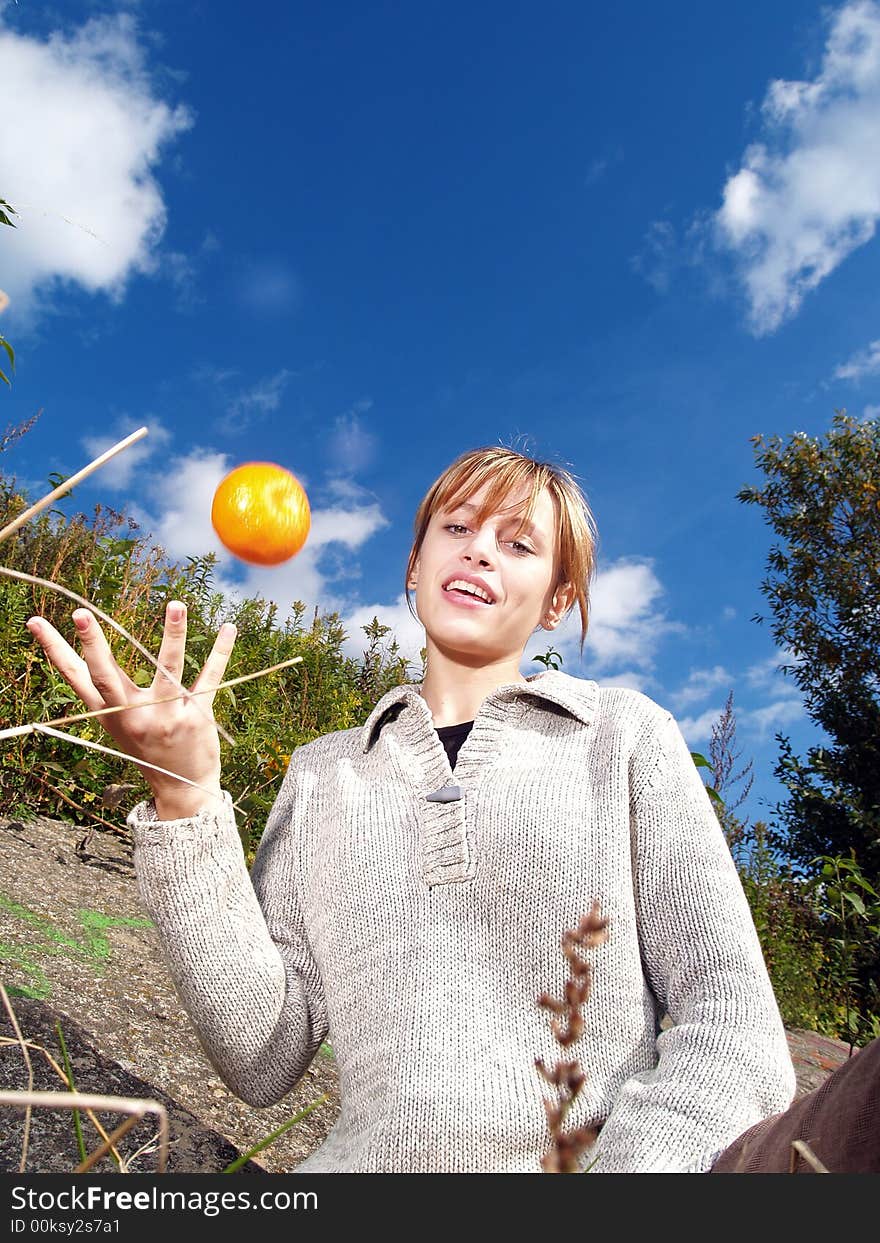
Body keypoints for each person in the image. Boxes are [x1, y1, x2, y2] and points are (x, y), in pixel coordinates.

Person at [26, 444, 799, 1173]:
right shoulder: (324, 772)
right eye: (455, 528)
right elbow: (260, 1054)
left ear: (558, 598)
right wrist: (184, 795)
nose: (479, 550)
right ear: (415, 563)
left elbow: (732, 1026)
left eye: (520, 543)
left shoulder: (625, 738)